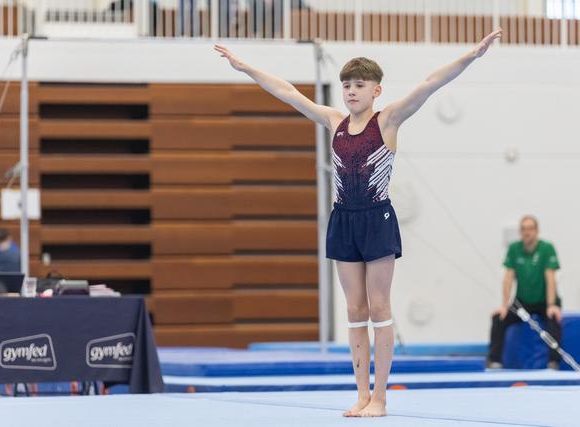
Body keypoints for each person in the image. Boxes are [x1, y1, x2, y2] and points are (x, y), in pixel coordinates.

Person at [215, 28, 502, 417]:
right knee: (354, 310)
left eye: (359, 85)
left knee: (379, 305)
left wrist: (473, 55)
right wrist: (245, 66)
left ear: (375, 91)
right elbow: (287, 93)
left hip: (377, 219)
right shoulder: (333, 120)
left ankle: (381, 398)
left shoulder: (388, 121)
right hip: (343, 219)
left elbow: (431, 83)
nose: (351, 91)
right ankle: (362, 395)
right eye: (347, 85)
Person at [487, 215, 562, 369]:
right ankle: (494, 361)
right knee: (499, 318)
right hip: (522, 301)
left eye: (530, 228)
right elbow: (508, 279)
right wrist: (504, 305)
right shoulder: (514, 249)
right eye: (523, 229)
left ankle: (553, 362)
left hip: (543, 301)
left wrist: (551, 305)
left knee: (553, 320)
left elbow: (550, 279)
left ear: (537, 231)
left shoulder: (546, 248)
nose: (527, 232)